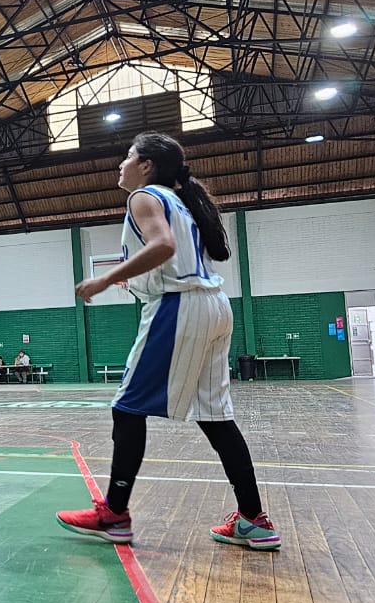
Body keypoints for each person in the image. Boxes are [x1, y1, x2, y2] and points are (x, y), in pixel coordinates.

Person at [57, 132, 281, 549]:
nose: (120, 165)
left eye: (127, 157)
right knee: (215, 417)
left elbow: (164, 245)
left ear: (146, 165)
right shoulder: (182, 201)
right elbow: (173, 254)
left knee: (126, 409)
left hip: (178, 308)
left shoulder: (144, 197)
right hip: (213, 305)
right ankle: (254, 519)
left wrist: (105, 279)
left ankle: (115, 513)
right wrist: (132, 276)